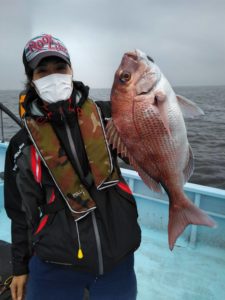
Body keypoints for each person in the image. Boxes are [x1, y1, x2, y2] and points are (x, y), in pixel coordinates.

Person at [4, 33, 141, 300]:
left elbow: (145, 147)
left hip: (118, 259)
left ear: (71, 70)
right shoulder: (23, 144)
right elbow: (19, 212)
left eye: (59, 68)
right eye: (42, 71)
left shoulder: (107, 116)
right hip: (55, 266)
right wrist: (20, 267)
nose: (52, 76)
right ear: (31, 79)